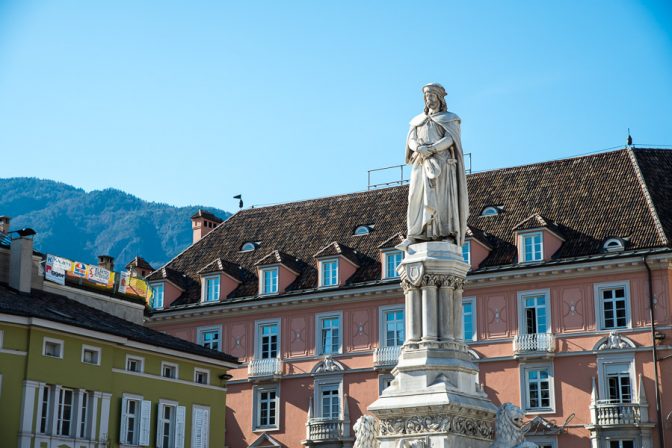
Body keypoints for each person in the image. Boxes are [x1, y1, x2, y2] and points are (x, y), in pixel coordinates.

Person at [397, 83, 469, 250]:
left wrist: (433, 148)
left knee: (442, 200)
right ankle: (414, 235)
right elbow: (411, 139)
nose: (428, 99)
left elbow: (451, 139)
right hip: (421, 162)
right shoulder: (417, 121)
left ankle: (446, 234)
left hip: (442, 164)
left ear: (439, 98)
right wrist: (420, 148)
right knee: (416, 198)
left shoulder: (450, 118)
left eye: (431, 95)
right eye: (426, 96)